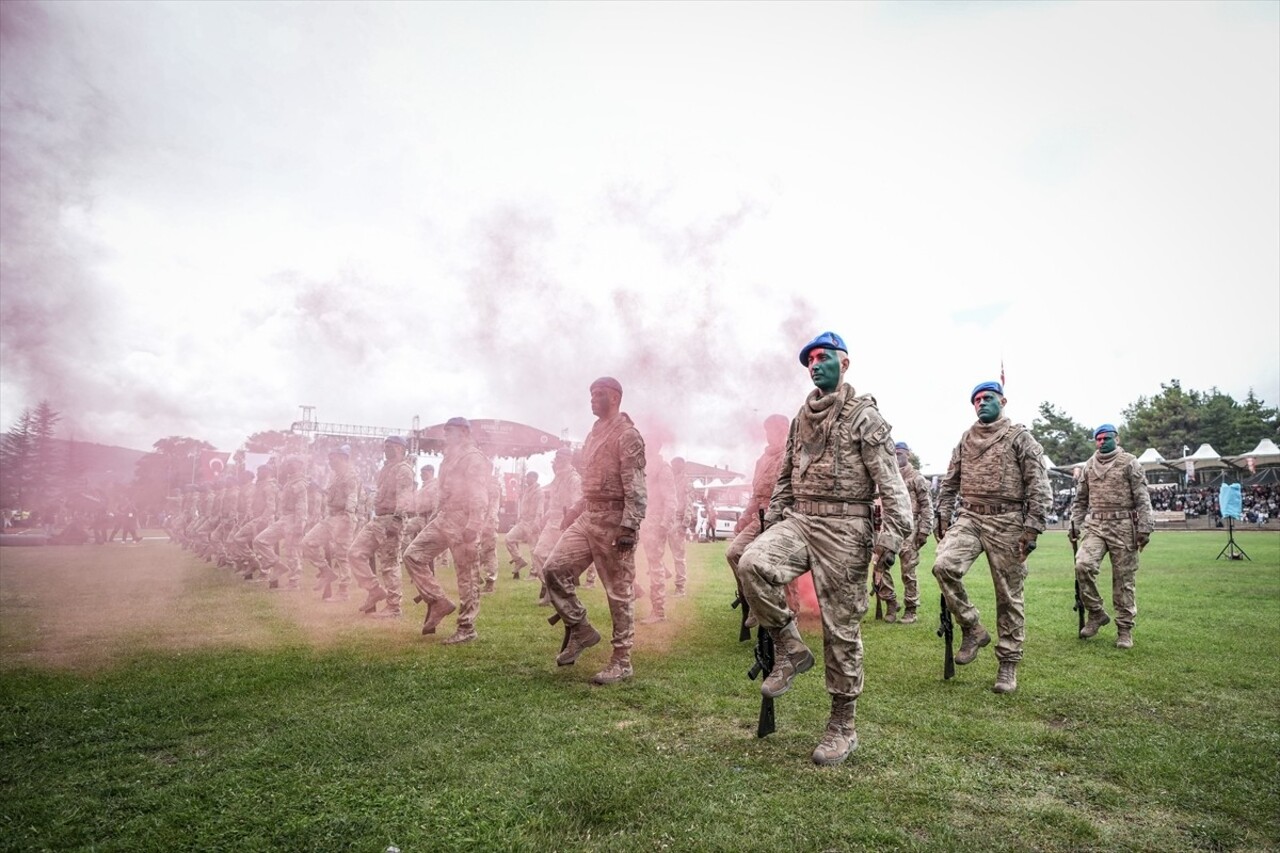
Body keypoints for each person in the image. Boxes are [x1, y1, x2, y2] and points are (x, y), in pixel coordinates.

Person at [738, 332, 912, 765]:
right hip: (801, 519)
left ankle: (842, 725)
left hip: (846, 528)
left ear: (844, 363)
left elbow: (892, 486)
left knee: (841, 632)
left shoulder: (864, 417)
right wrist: (775, 517)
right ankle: (790, 648)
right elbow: (784, 475)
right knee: (752, 563)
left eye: (823, 358)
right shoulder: (801, 417)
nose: (815, 365)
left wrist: (891, 537)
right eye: (810, 360)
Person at [932, 380, 1051, 694]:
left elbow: (1038, 484)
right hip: (970, 516)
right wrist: (942, 514)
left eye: (988, 398)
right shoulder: (966, 439)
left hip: (1008, 520)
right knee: (944, 566)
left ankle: (1008, 664)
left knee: (1008, 595)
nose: (982, 403)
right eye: (977, 399)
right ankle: (972, 627)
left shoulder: (1020, 438)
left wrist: (1032, 527)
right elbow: (949, 482)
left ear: (1003, 401)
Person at [543, 376, 647, 685]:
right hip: (589, 515)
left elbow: (636, 484)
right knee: (553, 568)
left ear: (614, 398)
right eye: (590, 394)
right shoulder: (594, 433)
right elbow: (591, 481)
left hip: (615, 520)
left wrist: (629, 525)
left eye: (598, 394)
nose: (592, 399)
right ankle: (582, 629)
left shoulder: (627, 435)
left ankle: (622, 660)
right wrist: (576, 509)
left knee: (618, 591)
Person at [401, 418, 489, 644]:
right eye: (445, 432)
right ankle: (438, 600)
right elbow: (443, 492)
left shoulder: (473, 458)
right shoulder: (449, 458)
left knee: (466, 575)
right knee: (412, 555)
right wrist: (435, 516)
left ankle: (467, 628)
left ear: (464, 432)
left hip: (463, 518)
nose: (446, 435)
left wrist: (474, 523)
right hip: (444, 517)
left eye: (450, 431)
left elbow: (479, 493)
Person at [1069, 424, 1153, 649]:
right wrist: (1075, 524)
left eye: (1106, 438)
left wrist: (1145, 527)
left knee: (1123, 579)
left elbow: (1142, 497)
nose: (1101, 442)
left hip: (1124, 526)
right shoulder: (1088, 465)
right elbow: (1080, 500)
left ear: (1117, 439)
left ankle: (1124, 629)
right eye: (1098, 439)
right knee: (1083, 565)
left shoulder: (1129, 462)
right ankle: (1096, 612)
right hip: (1096, 525)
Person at [726, 414, 792, 623]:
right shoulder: (762, 460)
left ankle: (786, 613)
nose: (768, 435)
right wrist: (745, 517)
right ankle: (753, 600)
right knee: (734, 552)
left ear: (783, 430)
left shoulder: (791, 456)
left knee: (779, 569)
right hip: (759, 517)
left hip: (782, 518)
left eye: (772, 430)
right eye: (767, 430)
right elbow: (755, 494)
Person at [348, 436, 415, 617]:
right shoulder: (385, 469)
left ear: (401, 449)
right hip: (378, 519)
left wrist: (397, 520)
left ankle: (394, 607)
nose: (387, 449)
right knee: (355, 553)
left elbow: (405, 496)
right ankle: (374, 589)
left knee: (389, 564)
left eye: (391, 446)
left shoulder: (404, 470)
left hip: (392, 519)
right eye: (385, 446)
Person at [301, 445, 360, 602]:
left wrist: (348, 514)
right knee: (307, 543)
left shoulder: (350, 476)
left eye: (333, 457)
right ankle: (326, 571)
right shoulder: (335, 476)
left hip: (344, 518)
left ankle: (344, 592)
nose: (330, 460)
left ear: (343, 458)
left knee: (342, 555)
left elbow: (352, 496)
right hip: (331, 518)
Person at [890, 441, 933, 624]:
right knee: (880, 564)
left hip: (911, 527)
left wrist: (924, 531)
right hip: (892, 526)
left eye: (901, 453)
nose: (897, 456)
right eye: (895, 453)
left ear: (908, 454)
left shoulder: (917, 478)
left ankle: (911, 609)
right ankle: (890, 602)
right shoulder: (891, 477)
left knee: (908, 570)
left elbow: (927, 506)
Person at [533, 448, 583, 605]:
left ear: (568, 459)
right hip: (552, 522)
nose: (557, 460)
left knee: (560, 562)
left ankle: (560, 596)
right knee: (539, 554)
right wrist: (546, 515)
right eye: (557, 457)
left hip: (564, 523)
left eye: (561, 458)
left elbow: (578, 502)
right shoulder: (558, 477)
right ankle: (550, 589)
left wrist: (570, 520)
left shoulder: (574, 479)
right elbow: (554, 498)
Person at [254, 457, 309, 591]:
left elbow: (302, 506)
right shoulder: (289, 482)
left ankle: (294, 582)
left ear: (300, 465)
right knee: (260, 541)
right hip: (284, 519)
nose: (288, 466)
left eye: (292, 463)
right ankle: (277, 565)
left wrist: (299, 524)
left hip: (294, 519)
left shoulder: (300, 483)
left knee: (292, 552)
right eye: (288, 464)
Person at [637, 441, 674, 622]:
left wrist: (665, 524)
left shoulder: (663, 468)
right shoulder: (644, 465)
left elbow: (670, 499)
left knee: (654, 566)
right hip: (641, 519)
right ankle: (636, 588)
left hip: (655, 521)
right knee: (621, 557)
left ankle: (658, 611)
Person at [505, 471, 543, 580]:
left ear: (535, 478)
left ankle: (534, 573)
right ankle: (519, 560)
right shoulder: (526, 491)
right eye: (527, 477)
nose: (527, 479)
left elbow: (540, 508)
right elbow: (522, 505)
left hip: (532, 522)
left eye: (529, 477)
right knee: (509, 538)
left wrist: (537, 521)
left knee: (533, 549)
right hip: (523, 521)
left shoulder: (539, 491)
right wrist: (519, 517)